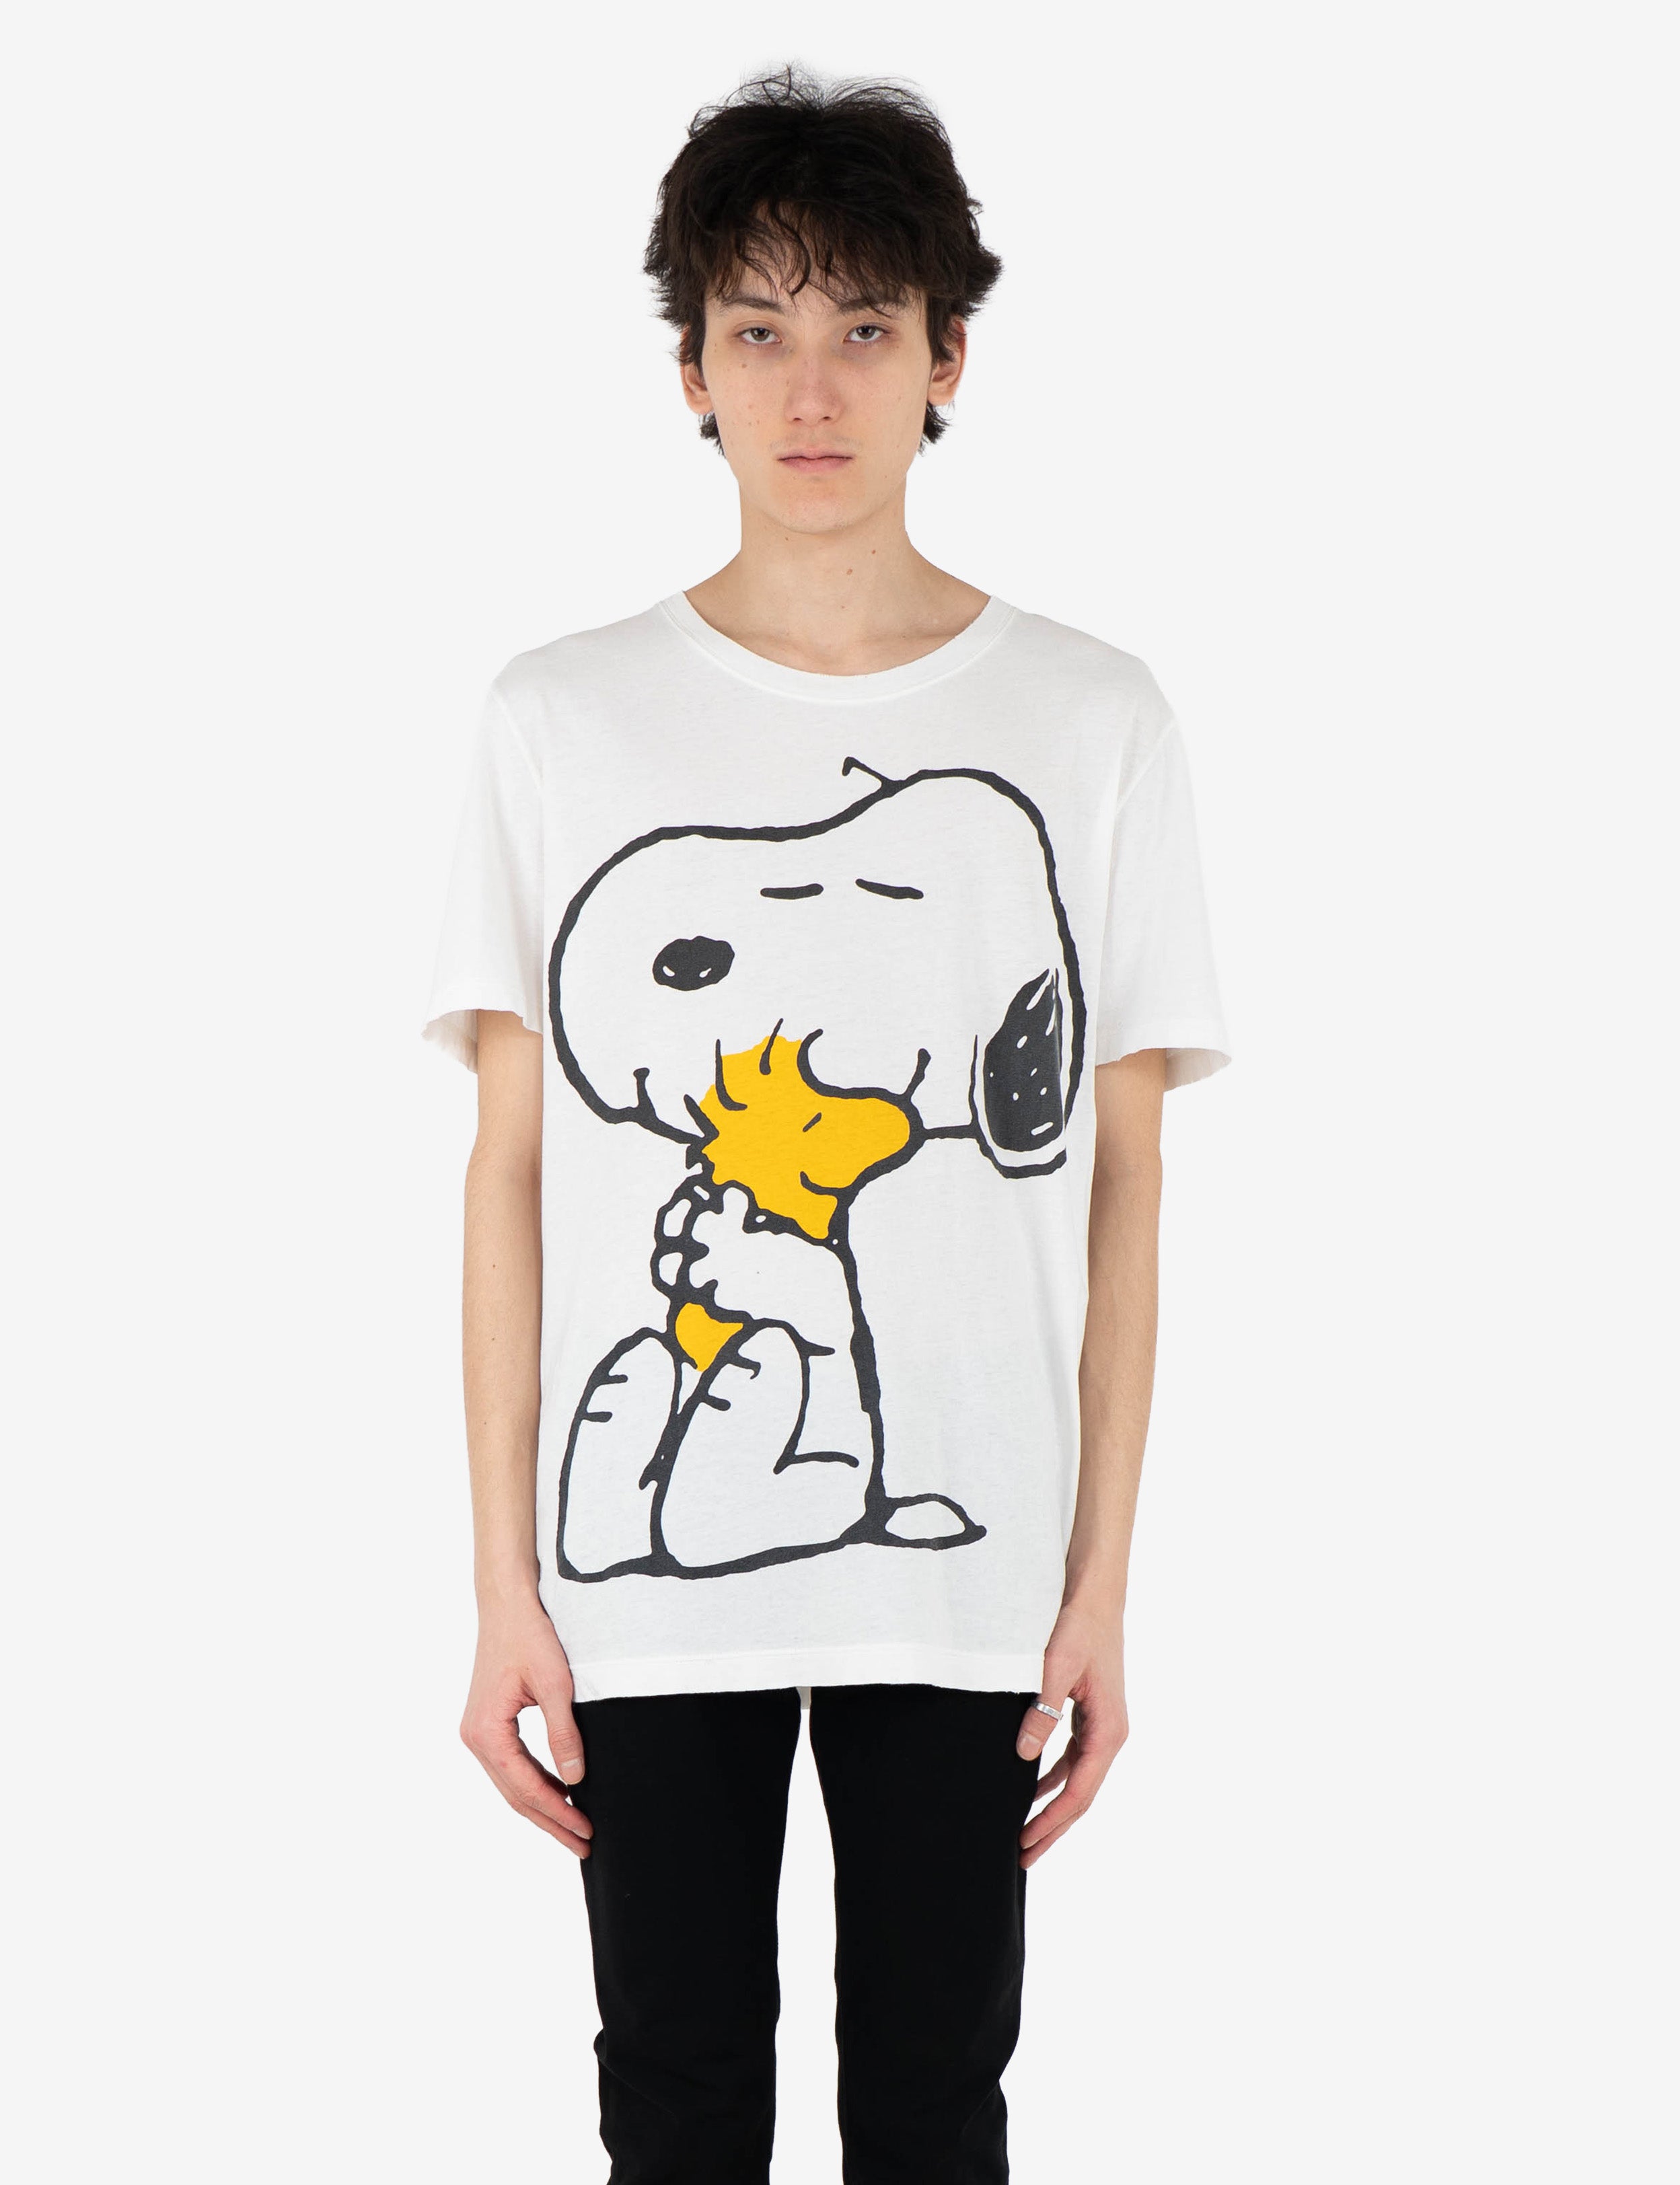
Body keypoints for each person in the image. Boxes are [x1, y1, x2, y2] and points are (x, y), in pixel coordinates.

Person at [425, 67, 1229, 2185]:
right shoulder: (559, 716)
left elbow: (1127, 1182)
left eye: (867, 326)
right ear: (689, 370)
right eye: (759, 327)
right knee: (674, 2105)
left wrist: (1104, 1581)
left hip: (971, 1571)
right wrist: (502, 1581)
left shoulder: (1091, 717)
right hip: (638, 1576)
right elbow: (512, 1170)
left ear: (949, 359)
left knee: (935, 2115)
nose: (811, 386)